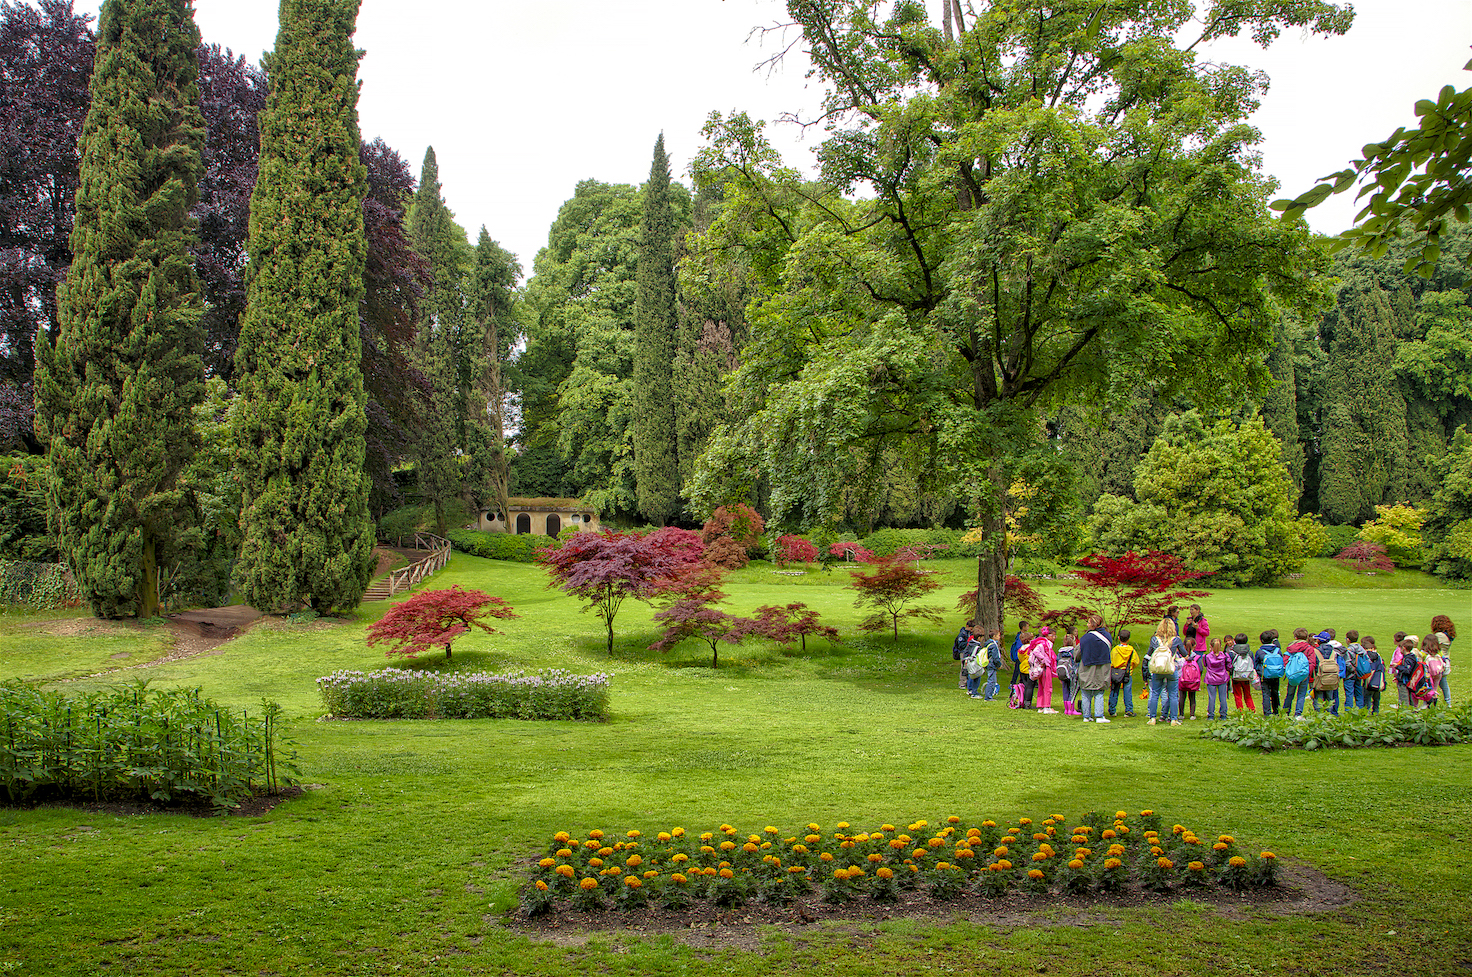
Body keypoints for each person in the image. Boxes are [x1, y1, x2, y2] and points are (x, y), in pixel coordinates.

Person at [1077, 614, 1113, 722]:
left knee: (1086, 692)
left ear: (1093, 624)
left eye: (1088, 622)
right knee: (1099, 692)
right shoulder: (1107, 636)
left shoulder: (1085, 638)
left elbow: (1078, 653)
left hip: (1087, 667)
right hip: (1102, 667)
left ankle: (1086, 716)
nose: (1087, 625)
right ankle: (1099, 715)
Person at [1146, 620, 1181, 726]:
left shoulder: (1154, 639)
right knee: (1173, 694)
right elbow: (1184, 653)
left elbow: (1149, 654)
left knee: (1155, 694)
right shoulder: (1176, 640)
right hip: (1171, 668)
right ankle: (1174, 719)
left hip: (1158, 669)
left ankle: (1152, 718)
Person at [1284, 628, 1315, 719]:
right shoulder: (1309, 648)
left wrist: (1289, 672)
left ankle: (1286, 711)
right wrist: (1307, 673)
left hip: (1293, 674)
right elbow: (1312, 662)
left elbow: (1285, 660)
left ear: (1295, 637)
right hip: (1304, 675)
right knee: (1301, 695)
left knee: (1290, 693)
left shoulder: (1291, 647)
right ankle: (1298, 713)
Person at [1026, 626, 1058, 714]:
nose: (1054, 638)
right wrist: (1045, 660)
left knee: (1042, 686)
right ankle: (1047, 706)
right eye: (1053, 636)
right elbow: (1036, 651)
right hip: (1045, 668)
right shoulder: (1044, 644)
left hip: (1042, 667)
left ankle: (1041, 705)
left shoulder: (1042, 643)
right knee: (1047, 686)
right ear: (1048, 635)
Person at [1311, 630, 1342, 715]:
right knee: (1329, 698)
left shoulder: (1316, 651)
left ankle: (1319, 715)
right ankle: (1329, 715)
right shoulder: (1334, 651)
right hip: (1331, 678)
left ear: (1319, 641)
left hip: (1320, 678)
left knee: (1318, 699)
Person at [1109, 629, 1137, 718]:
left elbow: (1111, 661)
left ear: (1118, 638)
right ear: (1128, 639)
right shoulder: (1131, 650)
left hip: (1116, 672)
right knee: (1127, 692)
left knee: (1114, 691)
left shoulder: (1115, 650)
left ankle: (1112, 710)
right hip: (1127, 672)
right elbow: (1136, 661)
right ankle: (1129, 710)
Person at [1256, 629, 1284, 716]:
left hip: (1265, 675)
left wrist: (1260, 673)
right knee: (1275, 692)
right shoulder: (1277, 650)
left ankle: (1267, 712)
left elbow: (1256, 664)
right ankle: (1276, 711)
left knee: (1266, 694)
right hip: (1276, 675)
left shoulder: (1260, 652)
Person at [1203, 637, 1231, 719]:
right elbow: (1229, 666)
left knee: (1212, 697)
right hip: (1222, 678)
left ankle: (1211, 715)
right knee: (1223, 697)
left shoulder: (1207, 656)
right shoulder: (1225, 656)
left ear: (1211, 646)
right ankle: (1223, 714)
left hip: (1211, 678)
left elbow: (1205, 665)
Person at [1229, 632, 1257, 712]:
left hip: (1236, 676)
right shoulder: (1250, 652)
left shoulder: (1232, 653)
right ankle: (1252, 710)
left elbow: (1230, 664)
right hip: (1247, 675)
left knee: (1237, 695)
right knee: (1247, 694)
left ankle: (1240, 711)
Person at [1431, 614, 1455, 704]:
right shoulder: (1448, 635)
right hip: (1446, 661)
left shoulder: (1439, 635)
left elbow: (1432, 646)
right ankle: (1448, 702)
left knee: (1435, 683)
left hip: (1438, 662)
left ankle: (1433, 701)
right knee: (1443, 683)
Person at [1176, 638, 1202, 720]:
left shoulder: (1180, 656)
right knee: (1192, 697)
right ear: (1194, 646)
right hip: (1193, 681)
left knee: (1182, 697)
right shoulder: (1197, 657)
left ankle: (1181, 714)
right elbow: (1200, 669)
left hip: (1182, 680)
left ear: (1183, 646)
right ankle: (1192, 714)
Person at [1056, 628, 1080, 716]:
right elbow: (1076, 661)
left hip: (1063, 672)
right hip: (1071, 673)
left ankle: (1066, 709)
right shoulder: (1073, 651)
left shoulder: (1060, 651)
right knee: (1072, 691)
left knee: (1065, 690)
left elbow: (1057, 661)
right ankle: (1071, 709)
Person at [1344, 629, 1367, 710]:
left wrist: (1352, 669)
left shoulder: (1349, 650)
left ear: (1348, 640)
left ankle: (1349, 710)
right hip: (1359, 673)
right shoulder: (1362, 649)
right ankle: (1360, 709)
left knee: (1349, 693)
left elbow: (1347, 662)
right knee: (1358, 692)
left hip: (1350, 675)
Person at [1362, 635, 1386, 714]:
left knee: (1367, 697)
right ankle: (1376, 711)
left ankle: (1367, 711)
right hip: (1377, 678)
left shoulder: (1365, 656)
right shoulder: (1378, 656)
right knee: (1376, 697)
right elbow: (1383, 666)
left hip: (1369, 679)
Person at [953, 618, 975, 690]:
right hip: (963, 652)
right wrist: (969, 643)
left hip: (970, 652)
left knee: (970, 667)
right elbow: (960, 645)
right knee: (964, 668)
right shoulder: (962, 634)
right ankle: (962, 683)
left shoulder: (971, 633)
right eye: (971, 629)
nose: (971, 630)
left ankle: (969, 682)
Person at [1009, 621, 1032, 689]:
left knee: (1019, 669)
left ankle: (1019, 682)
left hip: (1021, 656)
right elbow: (1019, 646)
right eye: (1027, 626)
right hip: (1019, 656)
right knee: (1017, 670)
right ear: (1023, 627)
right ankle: (1013, 682)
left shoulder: (1021, 635)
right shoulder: (1020, 636)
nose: (1028, 627)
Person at [982, 628, 1003, 701]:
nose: (999, 637)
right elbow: (995, 657)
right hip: (991, 665)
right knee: (991, 681)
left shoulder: (987, 643)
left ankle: (989, 695)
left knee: (991, 680)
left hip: (988, 664)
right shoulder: (993, 645)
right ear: (994, 636)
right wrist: (999, 665)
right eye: (998, 636)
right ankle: (988, 696)